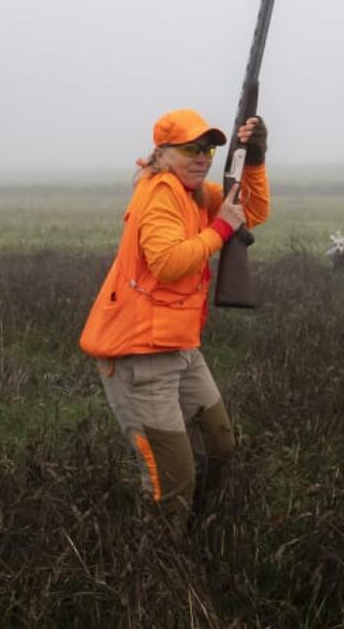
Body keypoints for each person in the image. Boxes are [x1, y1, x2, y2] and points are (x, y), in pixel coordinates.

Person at [79, 108, 270, 529]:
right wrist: (219, 229)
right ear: (163, 154)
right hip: (138, 355)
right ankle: (159, 570)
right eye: (190, 149)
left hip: (180, 346)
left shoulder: (195, 192)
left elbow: (250, 214)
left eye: (208, 149)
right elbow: (168, 263)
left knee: (219, 444)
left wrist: (253, 160)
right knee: (172, 481)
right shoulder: (161, 192)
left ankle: (198, 535)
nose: (202, 157)